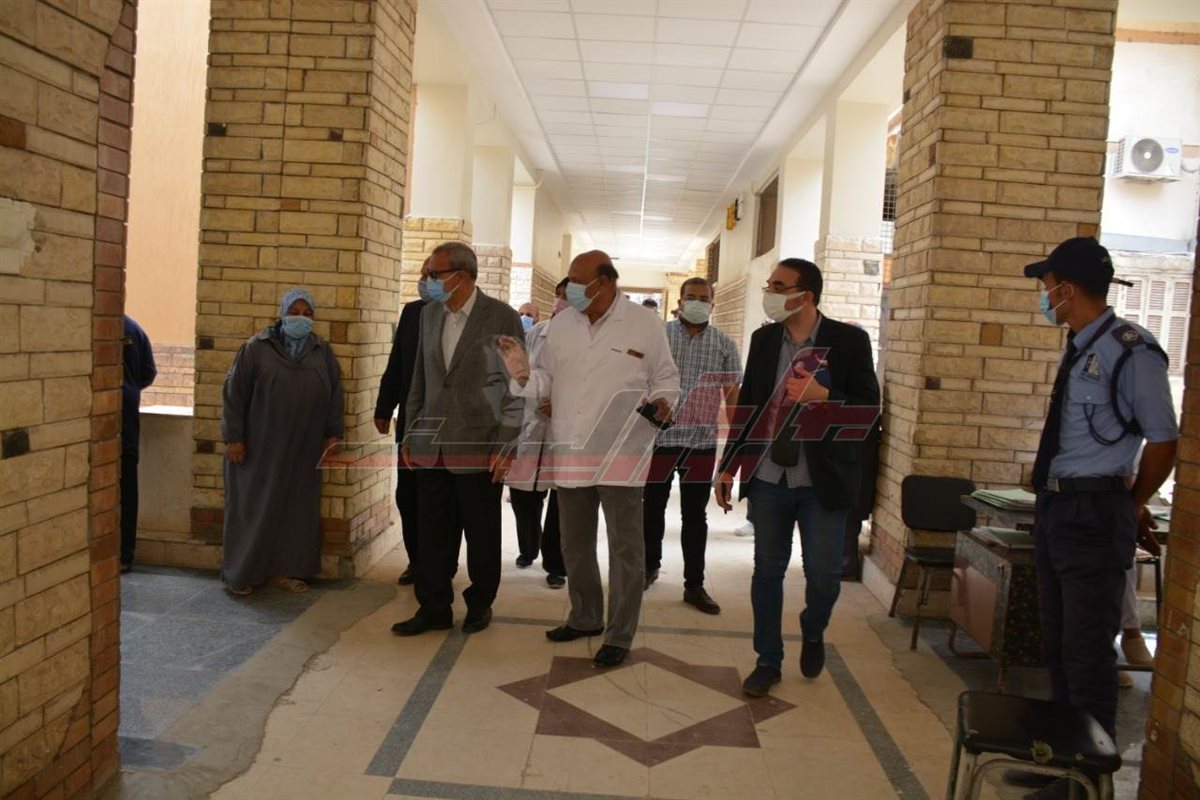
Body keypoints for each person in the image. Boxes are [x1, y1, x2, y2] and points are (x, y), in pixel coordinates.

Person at [1023, 237, 1176, 798]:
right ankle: (1060, 763)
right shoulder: (1080, 345)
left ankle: (1087, 781)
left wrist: (1131, 503)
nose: (1044, 296)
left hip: (1094, 510)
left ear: (1067, 288)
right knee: (1056, 646)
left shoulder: (1131, 351)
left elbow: (1164, 440)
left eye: (1047, 286)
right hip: (1057, 506)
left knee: (1087, 655)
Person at [500, 251, 680, 668]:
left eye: (579, 281)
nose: (572, 288)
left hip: (622, 449)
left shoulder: (644, 323)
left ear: (606, 281)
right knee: (575, 543)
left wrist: (663, 401)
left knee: (625, 548)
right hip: (571, 447)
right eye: (570, 281)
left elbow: (666, 377)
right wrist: (523, 374)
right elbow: (546, 379)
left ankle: (619, 633)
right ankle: (584, 617)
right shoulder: (561, 325)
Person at [714, 258, 880, 697]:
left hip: (822, 480)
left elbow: (868, 410)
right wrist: (729, 464)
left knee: (823, 576)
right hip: (769, 477)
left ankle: (813, 626)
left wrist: (823, 396)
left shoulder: (849, 341)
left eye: (778, 286)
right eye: (769, 285)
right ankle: (767, 660)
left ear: (805, 296)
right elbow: (750, 405)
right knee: (767, 570)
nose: (768, 293)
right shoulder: (764, 339)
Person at [393, 242, 525, 636]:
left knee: (481, 533)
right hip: (431, 445)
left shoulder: (501, 316)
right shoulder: (429, 315)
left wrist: (507, 444)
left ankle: (480, 603)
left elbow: (518, 385)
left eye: (434, 274)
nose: (428, 280)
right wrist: (411, 431)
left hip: (480, 446)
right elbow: (420, 378)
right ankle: (433, 607)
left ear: (461, 276)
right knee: (432, 533)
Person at [221, 288, 343, 596]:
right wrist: (233, 437)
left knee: (295, 510)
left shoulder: (321, 351)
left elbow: (335, 395)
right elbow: (234, 393)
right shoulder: (256, 348)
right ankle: (240, 573)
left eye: (307, 314)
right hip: (259, 446)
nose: (301, 318)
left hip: (304, 445)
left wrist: (333, 434)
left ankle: (284, 571)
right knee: (254, 507)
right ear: (282, 313)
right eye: (294, 312)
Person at [642, 277, 741, 614]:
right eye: (691, 297)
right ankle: (648, 567)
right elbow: (639, 380)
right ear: (680, 302)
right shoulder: (659, 336)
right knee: (651, 508)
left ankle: (694, 585)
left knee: (695, 515)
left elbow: (733, 395)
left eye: (704, 298)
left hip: (701, 443)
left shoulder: (724, 344)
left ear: (712, 303)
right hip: (659, 441)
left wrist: (734, 444)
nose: (697, 302)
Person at [508, 279, 570, 588]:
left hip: (565, 431)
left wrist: (563, 402)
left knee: (561, 500)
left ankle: (556, 563)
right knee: (522, 495)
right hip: (530, 425)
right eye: (558, 295)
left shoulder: (591, 341)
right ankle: (528, 547)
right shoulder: (535, 334)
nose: (560, 302)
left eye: (567, 297)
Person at [374, 261, 430, 587]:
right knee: (407, 496)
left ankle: (440, 563)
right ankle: (416, 561)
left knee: (439, 501)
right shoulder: (412, 313)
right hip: (411, 423)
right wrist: (385, 405)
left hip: (448, 428)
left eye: (431, 275)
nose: (425, 281)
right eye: (423, 275)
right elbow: (397, 362)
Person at [120, 315, 156, 573]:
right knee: (127, 490)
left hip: (114, 423)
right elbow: (148, 373)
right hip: (127, 421)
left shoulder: (93, 324)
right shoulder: (134, 328)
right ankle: (124, 554)